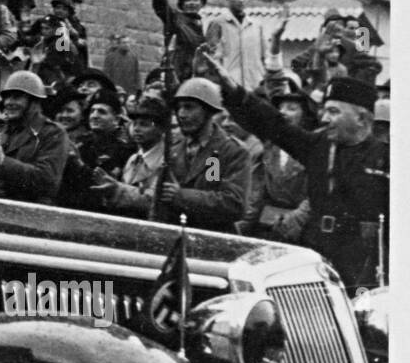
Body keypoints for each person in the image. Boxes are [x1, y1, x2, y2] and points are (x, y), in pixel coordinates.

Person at [205, 47, 388, 292]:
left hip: (361, 267)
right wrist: (232, 89)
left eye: (334, 112)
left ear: (362, 120)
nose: (324, 118)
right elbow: (272, 124)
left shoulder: (386, 159)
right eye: (324, 110)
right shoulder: (319, 147)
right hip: (316, 257)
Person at [153, 77, 249, 233]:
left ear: (208, 111)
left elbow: (234, 204)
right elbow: (159, 202)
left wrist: (182, 196)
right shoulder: (174, 147)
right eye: (178, 108)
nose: (181, 114)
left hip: (213, 238)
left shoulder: (230, 151)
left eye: (189, 107)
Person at [0, 70, 70, 204]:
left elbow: (47, 181)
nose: (8, 102)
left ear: (34, 102)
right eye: (7, 97)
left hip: (31, 212)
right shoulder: (1, 131)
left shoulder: (53, 133)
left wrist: (3, 162)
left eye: (17, 97)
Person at [240, 86, 314, 241]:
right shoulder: (269, 147)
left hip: (299, 227)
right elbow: (258, 191)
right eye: (280, 108)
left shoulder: (314, 148)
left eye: (291, 108)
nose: (283, 112)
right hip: (267, 222)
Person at [90, 95, 169, 218]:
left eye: (144, 125)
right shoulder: (133, 159)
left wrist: (117, 190)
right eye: (135, 124)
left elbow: (153, 200)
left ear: (161, 129)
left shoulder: (166, 161)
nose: (136, 129)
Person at [205, 0, 266, 92]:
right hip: (230, 85)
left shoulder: (256, 25)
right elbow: (211, 59)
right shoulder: (218, 24)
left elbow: (264, 56)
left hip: (254, 85)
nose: (241, 0)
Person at [148, 0, 206, 82]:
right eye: (188, 0)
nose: (192, 3)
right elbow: (161, 6)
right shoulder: (176, 18)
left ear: (201, 4)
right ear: (183, 4)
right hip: (179, 74)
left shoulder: (205, 25)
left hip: (199, 75)